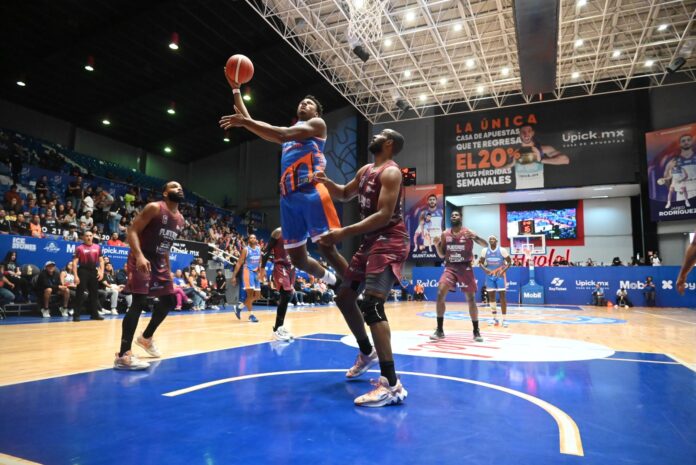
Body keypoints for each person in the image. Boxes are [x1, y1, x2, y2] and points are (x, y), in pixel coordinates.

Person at [219, 81, 346, 288]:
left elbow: (278, 133)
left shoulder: (317, 125)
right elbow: (250, 122)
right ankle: (333, 281)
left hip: (310, 191)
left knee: (326, 247)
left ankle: (357, 289)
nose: (304, 105)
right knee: (297, 259)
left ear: (316, 113)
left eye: (309, 104)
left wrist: (246, 123)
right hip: (287, 198)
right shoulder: (289, 135)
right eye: (302, 102)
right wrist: (235, 89)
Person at [316, 128, 408, 407]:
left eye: (381, 134)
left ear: (389, 144)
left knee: (371, 305)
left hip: (390, 239)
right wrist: (325, 181)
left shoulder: (391, 173)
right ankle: (367, 352)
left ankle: (391, 385)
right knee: (344, 297)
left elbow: (383, 215)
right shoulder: (367, 169)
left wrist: (342, 234)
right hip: (371, 240)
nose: (375, 136)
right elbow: (344, 193)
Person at [114, 181, 186, 370]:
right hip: (142, 256)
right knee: (139, 301)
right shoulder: (154, 208)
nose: (179, 189)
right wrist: (138, 256)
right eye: (174, 186)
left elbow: (166, 248)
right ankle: (123, 355)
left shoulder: (181, 220)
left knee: (169, 300)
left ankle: (146, 338)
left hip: (160, 260)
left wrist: (168, 271)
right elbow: (132, 231)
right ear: (165, 193)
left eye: (180, 187)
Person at [431, 210, 488, 341]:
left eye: (456, 215)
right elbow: (441, 255)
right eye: (452, 215)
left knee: (471, 299)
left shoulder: (468, 232)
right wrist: (436, 245)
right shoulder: (445, 234)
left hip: (465, 267)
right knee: (440, 293)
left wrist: (476, 237)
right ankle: (439, 330)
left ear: (461, 218)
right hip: (450, 266)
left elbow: (486, 245)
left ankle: (476, 331)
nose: (454, 217)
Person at [507, 125, 570, 189]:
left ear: (533, 133)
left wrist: (541, 160)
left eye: (529, 131)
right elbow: (503, 167)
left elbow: (565, 160)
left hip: (539, 193)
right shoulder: (514, 151)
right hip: (519, 194)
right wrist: (511, 163)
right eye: (523, 132)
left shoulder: (543, 149)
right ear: (519, 134)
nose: (526, 134)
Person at [261, 227, 296, 341]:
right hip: (280, 266)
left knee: (289, 295)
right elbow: (266, 251)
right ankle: (277, 329)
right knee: (285, 295)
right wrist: (262, 269)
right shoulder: (277, 232)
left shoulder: (297, 232)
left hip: (291, 267)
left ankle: (280, 327)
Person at [478, 235, 512, 327]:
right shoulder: (485, 251)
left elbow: (509, 262)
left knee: (502, 297)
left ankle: (504, 319)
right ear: (489, 241)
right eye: (490, 239)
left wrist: (503, 271)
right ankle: (494, 318)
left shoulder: (502, 250)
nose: (491, 240)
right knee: (491, 298)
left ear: (496, 241)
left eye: (493, 239)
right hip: (489, 276)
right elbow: (480, 263)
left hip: (499, 275)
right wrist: (485, 270)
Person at [71, 231, 105, 321]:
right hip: (83, 271)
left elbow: (101, 261)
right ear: (83, 237)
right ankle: (76, 315)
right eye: (87, 236)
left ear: (93, 237)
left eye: (90, 236)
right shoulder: (79, 248)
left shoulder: (97, 247)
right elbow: (74, 263)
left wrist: (101, 272)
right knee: (80, 293)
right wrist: (75, 276)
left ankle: (94, 314)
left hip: (93, 271)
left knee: (94, 294)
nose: (89, 237)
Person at [658, 134, 695, 209]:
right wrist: (674, 187)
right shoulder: (673, 161)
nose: (686, 142)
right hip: (681, 191)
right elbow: (666, 177)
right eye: (683, 141)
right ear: (680, 144)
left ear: (692, 141)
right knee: (685, 216)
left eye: (688, 140)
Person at [231, 234, 262, 322]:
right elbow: (239, 263)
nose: (253, 238)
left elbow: (260, 262)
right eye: (251, 237)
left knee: (257, 296)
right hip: (247, 272)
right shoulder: (246, 250)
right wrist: (234, 276)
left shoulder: (259, 249)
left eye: (254, 237)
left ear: (256, 240)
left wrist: (261, 272)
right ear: (248, 240)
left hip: (256, 273)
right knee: (250, 295)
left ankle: (239, 307)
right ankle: (251, 315)